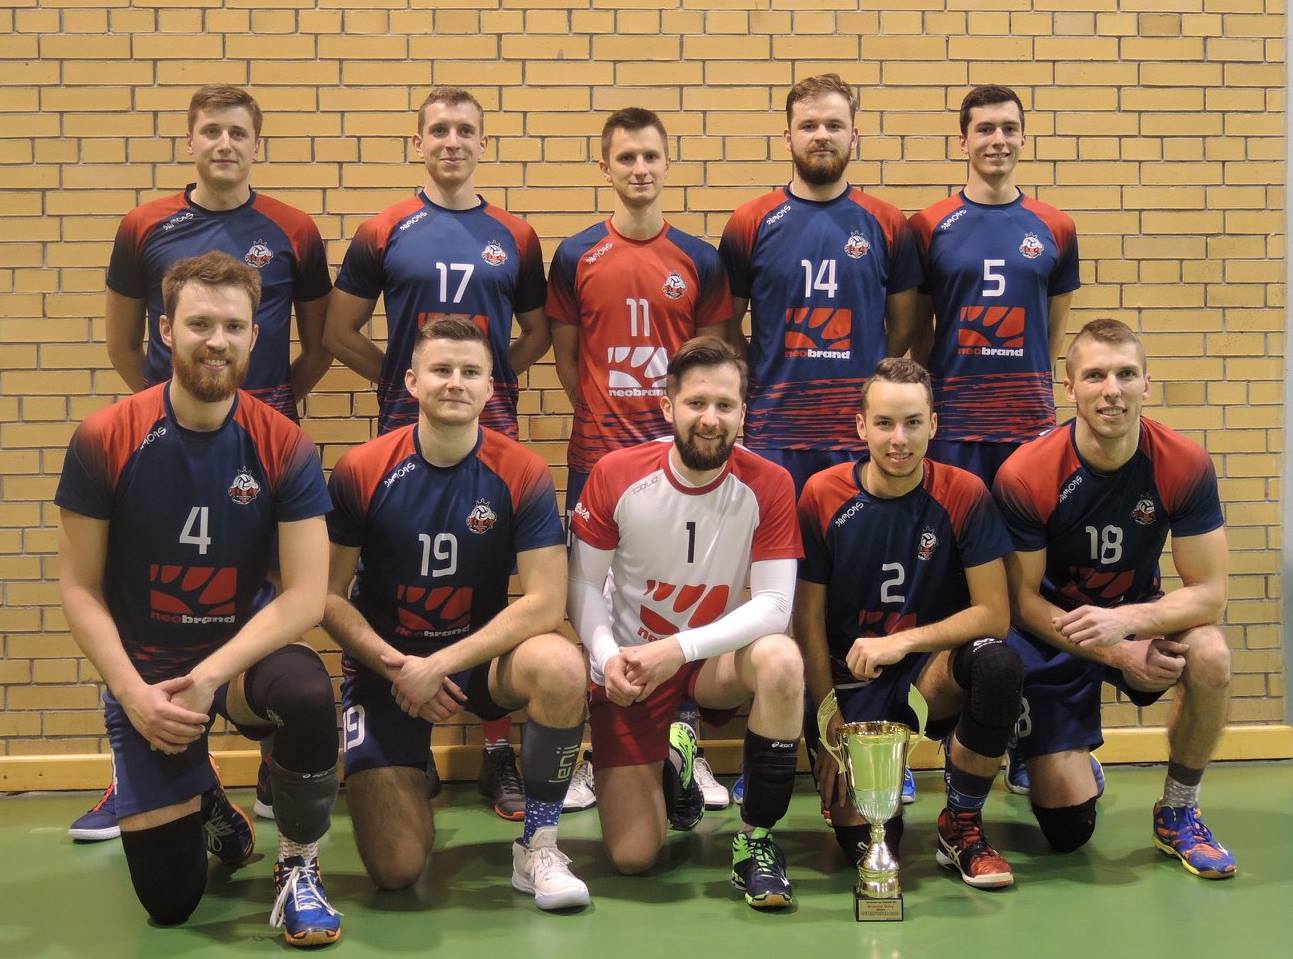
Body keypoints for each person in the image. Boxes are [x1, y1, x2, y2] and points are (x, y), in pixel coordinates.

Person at [57, 251, 342, 945]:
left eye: (234, 326)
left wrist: (210, 676)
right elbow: (80, 588)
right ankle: (206, 795)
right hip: (149, 677)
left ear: (255, 336)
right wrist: (132, 693)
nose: (217, 340)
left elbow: (307, 597)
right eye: (199, 323)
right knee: (171, 902)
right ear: (165, 328)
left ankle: (298, 867)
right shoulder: (104, 437)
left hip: (237, 663)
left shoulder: (285, 445)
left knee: (308, 693)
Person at [75, 82, 334, 840]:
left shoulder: (294, 228)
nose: (225, 144)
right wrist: (172, 411)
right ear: (190, 140)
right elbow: (123, 345)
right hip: (168, 436)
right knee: (143, 602)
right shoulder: (144, 225)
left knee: (269, 608)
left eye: (238, 132)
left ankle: (275, 770)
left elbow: (317, 344)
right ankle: (148, 770)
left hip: (260, 439)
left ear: (258, 144)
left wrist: (261, 406)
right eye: (211, 131)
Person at [325, 86, 547, 817]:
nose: (452, 141)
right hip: (404, 431)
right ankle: (400, 734)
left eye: (465, 130)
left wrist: (492, 380)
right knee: (397, 577)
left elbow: (539, 331)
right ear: (417, 143)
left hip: (493, 433)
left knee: (489, 585)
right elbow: (338, 331)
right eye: (439, 130)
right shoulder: (384, 229)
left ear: (483, 143)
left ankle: (496, 748)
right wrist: (401, 378)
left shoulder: (515, 235)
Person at [322, 317, 590, 910]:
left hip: (475, 662)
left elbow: (547, 602)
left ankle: (539, 845)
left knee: (561, 664)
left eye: (470, 371)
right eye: (441, 370)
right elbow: (327, 595)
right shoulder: (361, 468)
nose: (455, 382)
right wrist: (398, 667)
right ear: (412, 381)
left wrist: (439, 664)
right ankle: (405, 766)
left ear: (491, 387)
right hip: (386, 669)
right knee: (396, 870)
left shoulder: (522, 471)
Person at [567, 336, 805, 909]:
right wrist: (606, 658)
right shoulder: (617, 473)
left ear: (743, 413)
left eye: (725, 405)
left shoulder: (770, 482)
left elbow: (776, 604)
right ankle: (674, 760)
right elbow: (581, 586)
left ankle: (756, 841)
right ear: (667, 406)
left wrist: (678, 649)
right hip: (632, 665)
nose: (710, 419)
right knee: (633, 858)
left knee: (781, 659)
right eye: (696, 403)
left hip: (708, 663)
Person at [993, 318, 1236, 879]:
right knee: (1068, 832)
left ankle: (1179, 810)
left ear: (1147, 383)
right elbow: (1021, 602)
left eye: (1126, 374)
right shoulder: (1027, 473)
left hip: (1134, 617)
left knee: (1211, 654)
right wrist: (1118, 651)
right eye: (1095, 376)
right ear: (1069, 387)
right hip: (1052, 631)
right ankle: (1037, 746)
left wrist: (1129, 623)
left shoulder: (1184, 462)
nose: (1112, 391)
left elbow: (1211, 594)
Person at [548, 107, 733, 813]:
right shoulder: (575, 255)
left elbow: (711, 364)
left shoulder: (698, 259)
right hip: (598, 459)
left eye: (650, 155)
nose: (639, 168)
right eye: (625, 157)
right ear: (605, 166)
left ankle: (687, 746)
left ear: (666, 162)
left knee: (682, 598)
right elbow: (570, 360)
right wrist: (609, 425)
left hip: (681, 465)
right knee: (592, 603)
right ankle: (594, 752)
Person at [795, 357, 1022, 887]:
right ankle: (875, 801)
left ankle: (961, 822)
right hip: (853, 684)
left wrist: (902, 642)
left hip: (928, 675)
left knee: (997, 663)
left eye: (913, 423)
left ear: (933, 425)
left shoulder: (963, 492)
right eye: (884, 423)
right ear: (861, 426)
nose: (899, 439)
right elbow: (805, 620)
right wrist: (827, 717)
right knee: (868, 844)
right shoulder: (822, 495)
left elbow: (995, 614)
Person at [718, 73, 923, 495]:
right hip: (775, 427)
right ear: (788, 138)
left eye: (834, 125)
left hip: (858, 428)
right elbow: (726, 323)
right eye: (808, 126)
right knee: (775, 537)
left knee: (853, 537)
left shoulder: (887, 223)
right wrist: (759, 374)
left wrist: (867, 373)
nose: (822, 135)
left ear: (854, 136)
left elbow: (905, 325)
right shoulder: (750, 222)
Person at [908, 84, 1080, 488]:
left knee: (1028, 525)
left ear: (1023, 138)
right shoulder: (928, 225)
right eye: (985, 129)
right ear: (963, 142)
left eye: (1009, 129)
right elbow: (920, 331)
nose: (998, 140)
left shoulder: (1057, 226)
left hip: (1028, 419)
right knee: (957, 523)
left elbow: (1053, 330)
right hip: (954, 420)